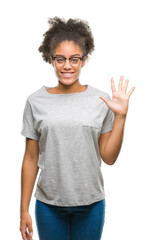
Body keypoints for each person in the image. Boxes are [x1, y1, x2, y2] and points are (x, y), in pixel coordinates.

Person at [19, 16, 135, 240]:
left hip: (90, 204)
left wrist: (120, 117)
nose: (67, 66)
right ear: (51, 59)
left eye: (74, 59)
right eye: (60, 59)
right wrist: (23, 209)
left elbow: (109, 157)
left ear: (83, 60)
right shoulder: (35, 101)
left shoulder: (101, 100)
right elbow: (30, 159)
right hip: (48, 205)